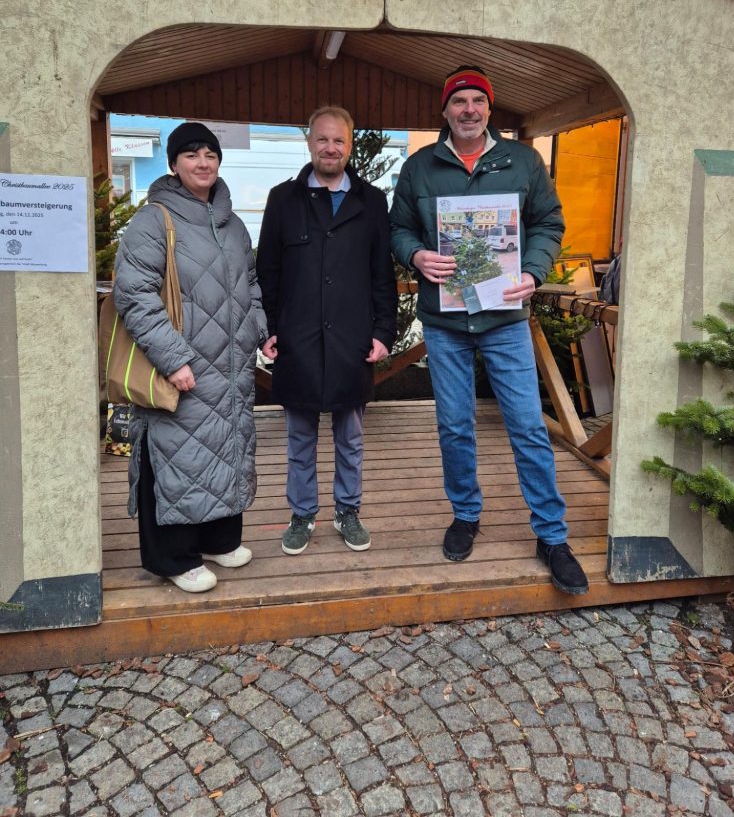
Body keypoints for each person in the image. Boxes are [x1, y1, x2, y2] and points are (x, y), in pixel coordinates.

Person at [390, 66, 589, 595]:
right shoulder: (419, 168)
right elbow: (398, 228)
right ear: (445, 110)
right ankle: (465, 515)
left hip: (504, 318)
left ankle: (551, 536)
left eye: (478, 101)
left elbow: (549, 223)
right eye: (459, 102)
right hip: (446, 322)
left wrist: (534, 272)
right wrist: (415, 255)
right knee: (455, 426)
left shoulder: (523, 162)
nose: (469, 110)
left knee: (527, 426)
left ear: (489, 109)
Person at [113, 122, 268, 593]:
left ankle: (218, 539)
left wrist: (260, 333)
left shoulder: (232, 224)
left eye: (210, 154)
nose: (202, 163)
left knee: (223, 448)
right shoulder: (153, 221)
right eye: (191, 154)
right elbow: (134, 295)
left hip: (231, 364)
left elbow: (251, 284)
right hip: (183, 366)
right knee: (176, 454)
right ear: (173, 164)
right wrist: (172, 358)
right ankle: (173, 557)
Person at [256, 106, 397, 556]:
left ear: (349, 146)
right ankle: (302, 514)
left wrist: (384, 332)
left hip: (352, 341)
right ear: (309, 143)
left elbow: (382, 275)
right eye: (322, 139)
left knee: (350, 438)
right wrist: (267, 329)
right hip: (296, 340)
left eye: (338, 140)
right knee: (299, 438)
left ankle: (347, 510)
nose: (330, 148)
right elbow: (267, 272)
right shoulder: (283, 199)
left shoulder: (371, 201)